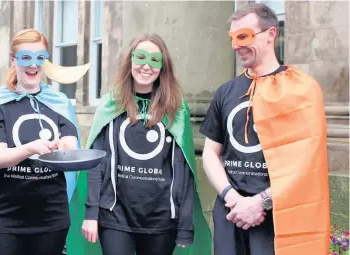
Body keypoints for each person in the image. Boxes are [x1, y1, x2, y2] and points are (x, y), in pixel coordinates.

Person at [200, 3, 330, 255]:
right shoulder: (225, 92)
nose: (236, 45)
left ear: (271, 34)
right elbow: (210, 153)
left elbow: (306, 165)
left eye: (244, 36)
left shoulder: (302, 89)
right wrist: (233, 198)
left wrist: (261, 202)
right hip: (232, 214)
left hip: (278, 219)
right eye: (232, 38)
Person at [68, 33, 212, 255]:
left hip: (161, 219)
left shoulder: (175, 108)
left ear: (163, 66)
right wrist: (91, 213)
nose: (146, 66)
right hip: (114, 215)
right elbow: (97, 163)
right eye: (141, 57)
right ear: (130, 61)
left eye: (154, 60)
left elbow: (183, 169)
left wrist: (184, 223)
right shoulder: (111, 104)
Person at [0, 28, 89, 255]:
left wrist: (63, 148)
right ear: (14, 61)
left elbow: (70, 148)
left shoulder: (59, 102)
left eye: (40, 58)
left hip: (50, 215)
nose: (33, 65)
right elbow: (1, 159)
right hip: (3, 217)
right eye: (26, 57)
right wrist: (32, 148)